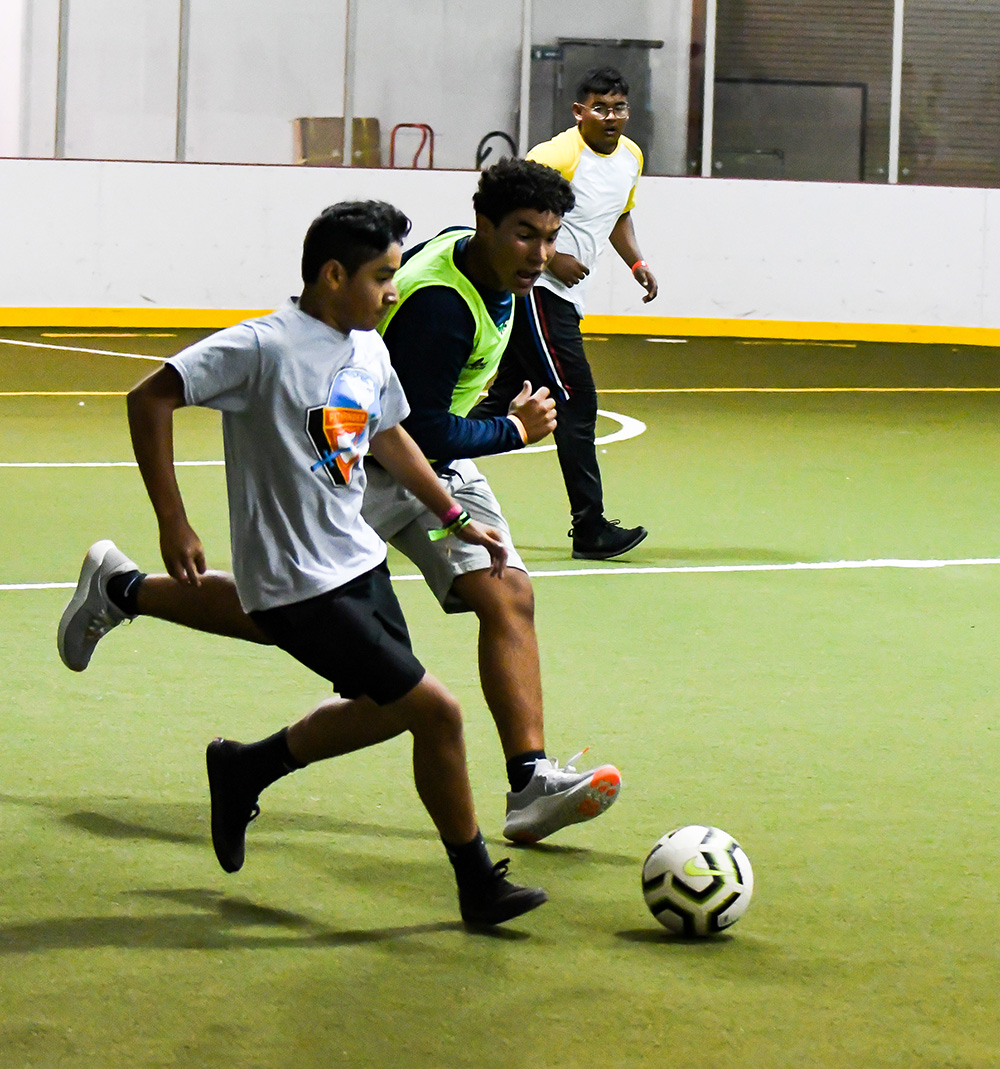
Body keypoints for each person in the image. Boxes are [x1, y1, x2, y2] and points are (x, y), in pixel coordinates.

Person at [58, 159, 622, 847]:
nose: (541, 253)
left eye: (549, 236)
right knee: (281, 616)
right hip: (363, 459)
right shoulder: (438, 307)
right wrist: (511, 429)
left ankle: (529, 778)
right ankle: (125, 589)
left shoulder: (494, 267)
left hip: (426, 465)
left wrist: (460, 498)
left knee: (506, 592)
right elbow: (405, 428)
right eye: (526, 236)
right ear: (487, 225)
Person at [107, 200, 547, 926]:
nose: (393, 292)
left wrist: (453, 513)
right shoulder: (263, 347)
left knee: (387, 709)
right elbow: (149, 398)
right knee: (436, 712)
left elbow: (392, 434)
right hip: (295, 585)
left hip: (358, 562)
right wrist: (173, 519)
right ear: (333, 274)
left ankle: (246, 766)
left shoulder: (368, 343)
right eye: (382, 277)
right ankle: (476, 883)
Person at [471, 67, 658, 560]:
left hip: (564, 299)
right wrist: (554, 257)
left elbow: (617, 214)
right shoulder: (556, 156)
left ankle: (409, 467)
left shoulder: (631, 157)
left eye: (619, 107)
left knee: (500, 400)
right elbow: (511, 218)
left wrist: (635, 262)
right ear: (580, 112)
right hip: (536, 292)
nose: (611, 117)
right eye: (600, 107)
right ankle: (591, 527)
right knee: (576, 401)